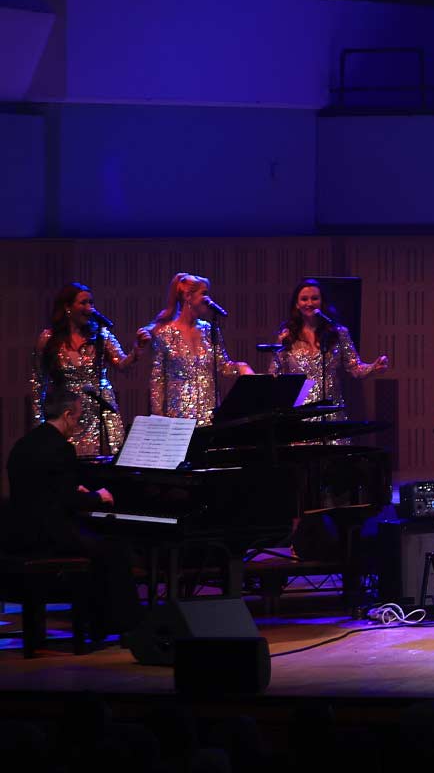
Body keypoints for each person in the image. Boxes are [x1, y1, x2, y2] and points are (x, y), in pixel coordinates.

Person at [4, 393, 141, 641]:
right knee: (114, 551)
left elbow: (44, 488)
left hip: (19, 531)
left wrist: (71, 490)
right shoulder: (61, 448)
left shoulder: (24, 444)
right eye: (77, 419)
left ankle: (98, 620)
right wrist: (98, 497)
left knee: (103, 547)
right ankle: (122, 626)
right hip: (49, 534)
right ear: (67, 415)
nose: (77, 425)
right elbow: (67, 501)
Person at [32, 282, 142, 457]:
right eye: (83, 303)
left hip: (99, 409)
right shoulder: (48, 339)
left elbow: (122, 364)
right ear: (67, 307)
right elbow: (38, 381)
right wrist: (40, 422)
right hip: (68, 412)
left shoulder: (100, 335)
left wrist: (137, 350)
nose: (89, 308)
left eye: (91, 303)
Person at [269, 280, 390, 418]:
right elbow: (275, 372)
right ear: (297, 304)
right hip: (300, 413)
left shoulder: (339, 333)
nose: (309, 303)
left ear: (322, 302)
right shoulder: (287, 336)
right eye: (304, 299)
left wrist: (374, 367)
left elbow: (355, 368)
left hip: (331, 409)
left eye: (314, 298)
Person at [142, 272, 253, 424]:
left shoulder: (209, 330)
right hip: (179, 418)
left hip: (210, 417)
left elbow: (222, 366)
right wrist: (158, 417)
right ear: (188, 296)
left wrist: (241, 367)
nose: (208, 299)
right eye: (204, 294)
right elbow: (157, 380)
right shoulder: (164, 335)